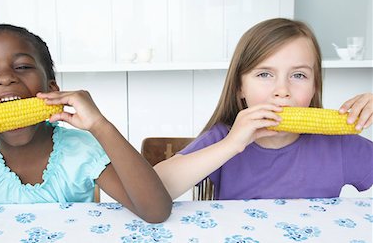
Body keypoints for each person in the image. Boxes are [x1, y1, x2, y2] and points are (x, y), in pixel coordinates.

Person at [0, 24, 172, 223]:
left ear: (52, 88)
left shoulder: (81, 151)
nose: (6, 78)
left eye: (22, 66)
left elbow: (155, 211)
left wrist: (100, 125)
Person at [154, 18, 373, 200]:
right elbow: (154, 189)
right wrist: (231, 145)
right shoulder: (224, 137)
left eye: (298, 75)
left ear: (315, 87)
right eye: (264, 74)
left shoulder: (338, 145)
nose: (282, 90)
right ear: (240, 87)